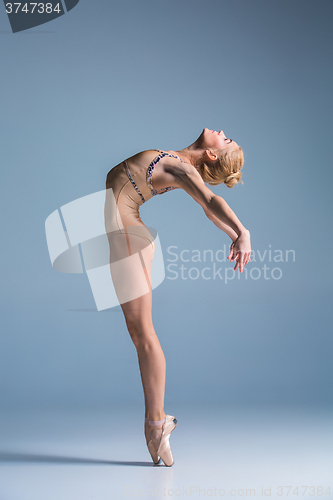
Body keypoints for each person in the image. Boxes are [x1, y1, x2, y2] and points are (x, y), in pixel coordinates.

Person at [104, 128, 251, 466]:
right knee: (139, 334)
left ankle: (156, 425)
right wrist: (232, 235)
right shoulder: (180, 165)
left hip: (129, 239)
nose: (223, 133)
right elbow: (207, 209)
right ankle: (156, 426)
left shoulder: (181, 168)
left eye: (226, 140)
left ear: (212, 154)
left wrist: (242, 233)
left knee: (143, 335)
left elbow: (213, 201)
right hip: (122, 237)